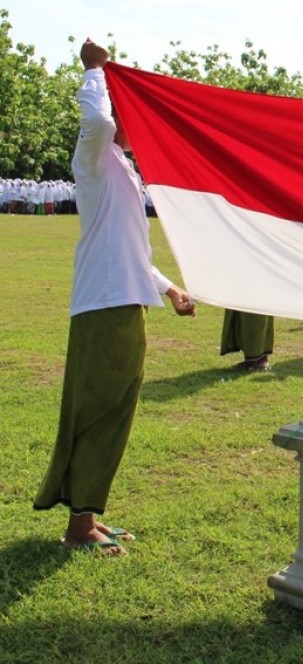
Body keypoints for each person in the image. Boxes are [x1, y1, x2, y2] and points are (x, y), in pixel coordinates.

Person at [33, 38, 196, 556]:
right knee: (98, 411)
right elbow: (98, 124)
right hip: (104, 306)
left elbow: (129, 251)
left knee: (115, 410)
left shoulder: (123, 169)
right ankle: (78, 527)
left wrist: (168, 288)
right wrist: (95, 73)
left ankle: (86, 516)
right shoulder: (96, 161)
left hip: (125, 302)